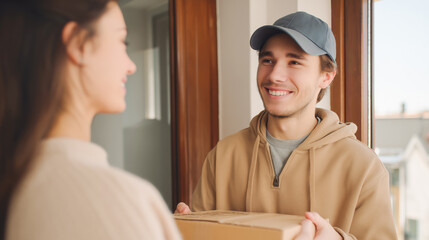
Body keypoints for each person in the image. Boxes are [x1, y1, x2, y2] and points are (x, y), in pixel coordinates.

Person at [175, 11, 397, 239]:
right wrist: (186, 230)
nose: (275, 75)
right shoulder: (223, 155)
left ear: (326, 77)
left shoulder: (363, 167)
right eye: (268, 60)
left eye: (294, 62)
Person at [0, 0, 181, 239]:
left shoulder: (18, 186)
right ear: (79, 44)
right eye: (122, 42)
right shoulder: (123, 203)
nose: (131, 66)